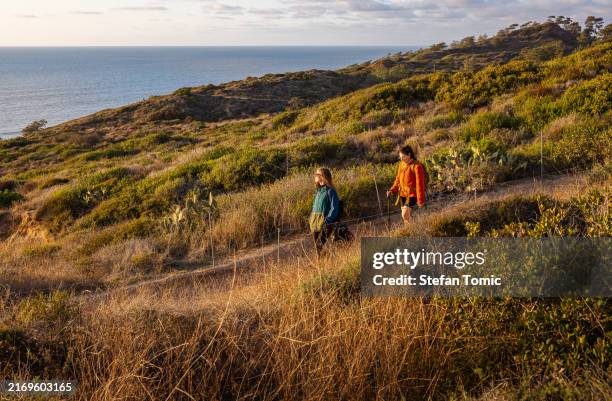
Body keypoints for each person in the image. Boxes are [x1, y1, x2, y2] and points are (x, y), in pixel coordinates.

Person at [386, 145, 426, 224]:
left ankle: (413, 230)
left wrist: (421, 201)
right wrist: (392, 190)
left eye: (403, 157)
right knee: (406, 218)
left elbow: (420, 185)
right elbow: (398, 180)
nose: (401, 159)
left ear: (409, 155)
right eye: (400, 157)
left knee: (404, 214)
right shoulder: (402, 165)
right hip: (402, 194)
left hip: (412, 195)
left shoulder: (417, 167)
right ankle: (410, 232)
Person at [309, 167, 340, 255]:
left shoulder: (330, 191)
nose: (315, 176)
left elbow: (335, 208)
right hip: (315, 222)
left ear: (323, 176)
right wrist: (311, 218)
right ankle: (323, 264)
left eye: (317, 174)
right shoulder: (318, 192)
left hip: (325, 222)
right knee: (317, 248)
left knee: (319, 245)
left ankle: (328, 260)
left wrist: (328, 220)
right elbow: (314, 207)